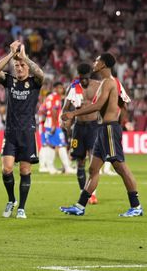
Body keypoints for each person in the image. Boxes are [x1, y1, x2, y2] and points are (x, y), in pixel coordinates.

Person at [60, 53, 143, 217]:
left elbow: (98, 105)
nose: (94, 62)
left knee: (120, 166)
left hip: (109, 129)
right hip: (103, 129)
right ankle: (80, 206)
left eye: (97, 60)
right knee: (93, 168)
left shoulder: (107, 82)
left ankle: (136, 206)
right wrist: (121, 120)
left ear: (103, 64)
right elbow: (123, 101)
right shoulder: (114, 83)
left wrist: (73, 114)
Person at [0, 40, 44, 219]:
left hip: (27, 133)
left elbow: (41, 74)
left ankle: (21, 207)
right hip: (10, 133)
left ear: (27, 67)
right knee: (6, 169)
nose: (20, 68)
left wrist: (24, 58)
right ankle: (11, 199)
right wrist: (11, 55)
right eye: (17, 66)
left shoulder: (34, 82)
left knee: (24, 171)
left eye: (22, 66)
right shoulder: (10, 81)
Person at [62, 63, 101, 203]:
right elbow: (65, 108)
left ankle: (92, 194)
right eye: (81, 78)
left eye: (85, 78)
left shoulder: (97, 86)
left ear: (89, 75)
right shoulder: (73, 87)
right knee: (80, 162)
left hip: (93, 127)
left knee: (93, 161)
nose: (83, 81)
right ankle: (82, 192)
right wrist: (64, 121)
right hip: (78, 128)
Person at [39, 82, 74, 174]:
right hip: (52, 125)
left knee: (51, 146)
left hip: (48, 125)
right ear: (55, 88)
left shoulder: (50, 97)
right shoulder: (55, 97)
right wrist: (55, 124)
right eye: (59, 88)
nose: (61, 90)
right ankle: (67, 168)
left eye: (62, 88)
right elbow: (53, 110)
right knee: (61, 145)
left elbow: (42, 110)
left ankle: (51, 168)